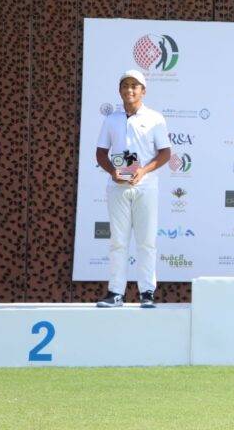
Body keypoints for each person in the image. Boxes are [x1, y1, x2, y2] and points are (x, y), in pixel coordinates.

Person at [95, 69, 171, 308]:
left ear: (143, 91)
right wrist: (112, 172)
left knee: (146, 242)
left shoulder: (155, 118)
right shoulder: (111, 119)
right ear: (120, 90)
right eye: (125, 85)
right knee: (118, 241)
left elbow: (165, 153)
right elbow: (101, 153)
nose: (129, 90)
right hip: (117, 187)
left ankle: (147, 292)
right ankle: (115, 292)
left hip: (145, 187)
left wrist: (143, 171)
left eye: (134, 86)